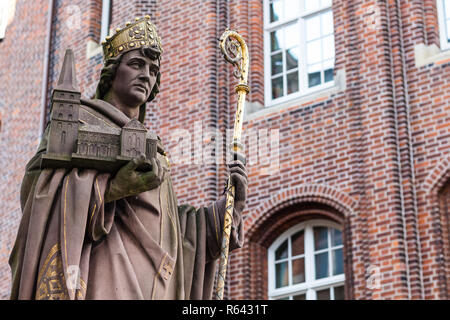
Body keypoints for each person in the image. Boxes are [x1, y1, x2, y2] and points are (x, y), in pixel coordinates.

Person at [9, 15, 247, 300]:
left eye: (153, 69)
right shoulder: (79, 122)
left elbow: (169, 232)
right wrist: (113, 189)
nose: (146, 74)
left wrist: (222, 215)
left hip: (158, 288)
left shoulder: (154, 149)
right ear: (112, 71)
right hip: (104, 275)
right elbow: (39, 192)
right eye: (136, 64)